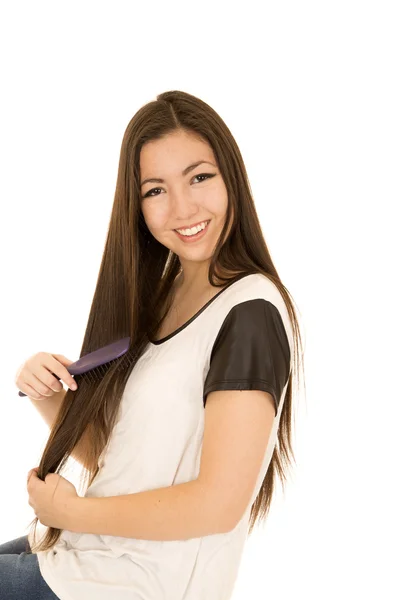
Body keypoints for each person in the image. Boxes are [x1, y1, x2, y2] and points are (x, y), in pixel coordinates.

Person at [5, 90, 304, 600]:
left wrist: (72, 510)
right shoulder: (161, 294)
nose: (182, 207)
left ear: (231, 175)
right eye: (155, 191)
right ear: (136, 203)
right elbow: (123, 459)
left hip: (130, 584)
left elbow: (218, 503)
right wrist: (50, 394)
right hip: (85, 556)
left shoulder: (249, 311)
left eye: (200, 177)